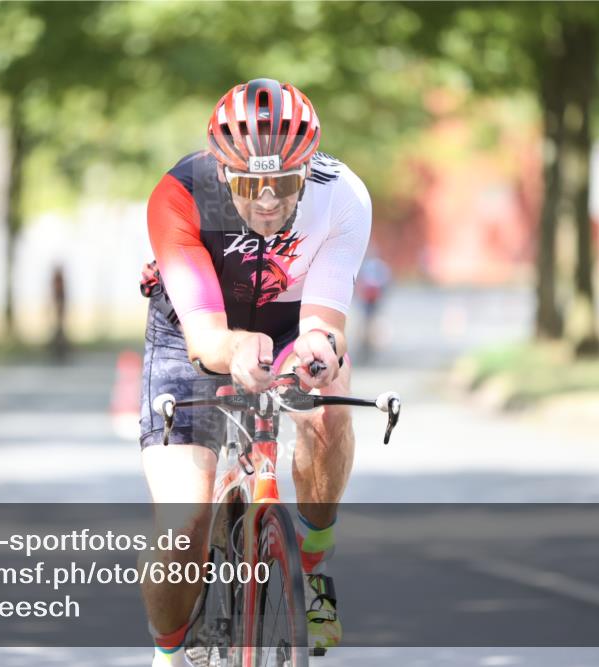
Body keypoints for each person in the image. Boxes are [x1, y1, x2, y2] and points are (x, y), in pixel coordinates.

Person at [138, 78, 371, 666]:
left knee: (328, 399)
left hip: (291, 324)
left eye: (284, 184)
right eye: (248, 185)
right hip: (195, 330)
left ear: (307, 170)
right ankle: (169, 655)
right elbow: (207, 340)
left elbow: (324, 322)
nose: (267, 201)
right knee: (184, 525)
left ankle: (313, 567)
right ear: (223, 173)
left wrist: (319, 351)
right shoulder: (182, 195)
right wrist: (236, 349)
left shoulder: (342, 195)